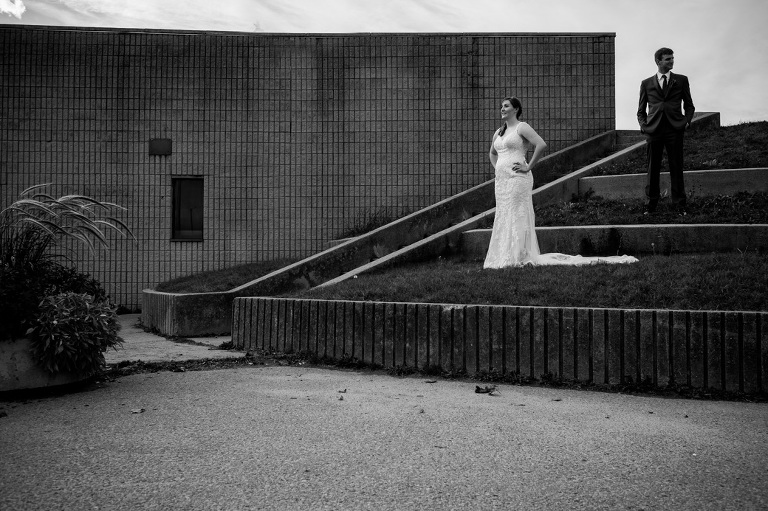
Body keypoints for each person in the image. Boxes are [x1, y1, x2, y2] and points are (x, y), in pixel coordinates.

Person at [483, 96, 638, 269]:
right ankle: (504, 255)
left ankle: (519, 255)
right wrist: (498, 168)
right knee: (504, 215)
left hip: (518, 179)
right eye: (501, 107)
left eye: (506, 106)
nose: (502, 109)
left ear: (516, 109)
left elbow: (541, 145)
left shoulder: (522, 127)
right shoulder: (499, 132)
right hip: (502, 182)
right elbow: (492, 153)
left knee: (517, 215)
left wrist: (528, 167)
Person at [637, 47, 695, 215]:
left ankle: (679, 205)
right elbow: (641, 110)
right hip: (654, 130)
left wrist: (686, 122)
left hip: (674, 129)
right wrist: (643, 126)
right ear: (658, 62)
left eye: (672, 58)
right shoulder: (646, 83)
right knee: (652, 168)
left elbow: (689, 105)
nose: (672, 61)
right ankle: (651, 205)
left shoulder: (681, 80)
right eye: (668, 59)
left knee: (676, 167)